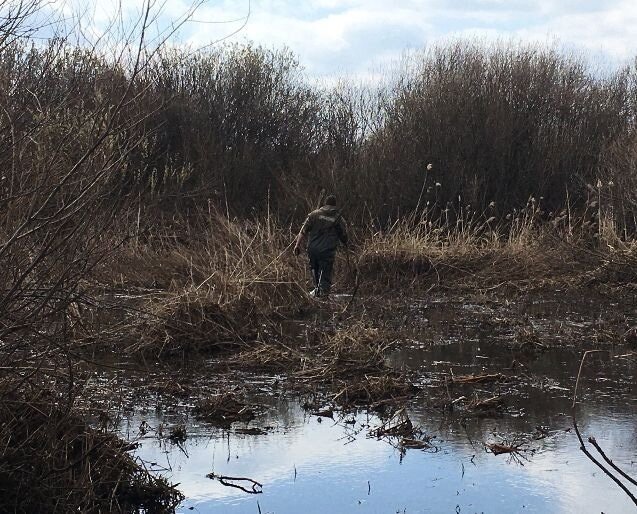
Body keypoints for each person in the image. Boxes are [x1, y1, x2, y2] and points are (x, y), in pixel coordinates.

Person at [293, 195, 348, 298]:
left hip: (312, 250)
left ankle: (317, 293)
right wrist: (345, 241)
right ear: (334, 205)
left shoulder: (313, 215)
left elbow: (303, 232)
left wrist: (297, 245)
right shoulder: (338, 218)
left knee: (315, 271)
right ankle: (324, 297)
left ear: (325, 204)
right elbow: (344, 236)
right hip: (327, 251)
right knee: (325, 274)